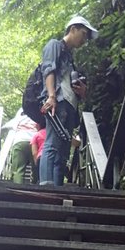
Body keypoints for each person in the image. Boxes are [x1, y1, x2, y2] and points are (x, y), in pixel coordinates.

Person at [39, 14, 97, 186]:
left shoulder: (70, 57)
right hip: (58, 101)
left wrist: (82, 92)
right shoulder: (55, 45)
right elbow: (48, 69)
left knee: (63, 151)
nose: (85, 40)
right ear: (73, 29)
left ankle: (57, 187)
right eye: (84, 34)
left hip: (70, 106)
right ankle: (46, 187)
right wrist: (51, 96)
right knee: (52, 144)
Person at [6, 109, 40, 183]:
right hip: (34, 143)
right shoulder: (37, 117)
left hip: (19, 141)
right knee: (36, 168)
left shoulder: (18, 117)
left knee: (18, 170)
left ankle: (17, 188)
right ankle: (35, 185)